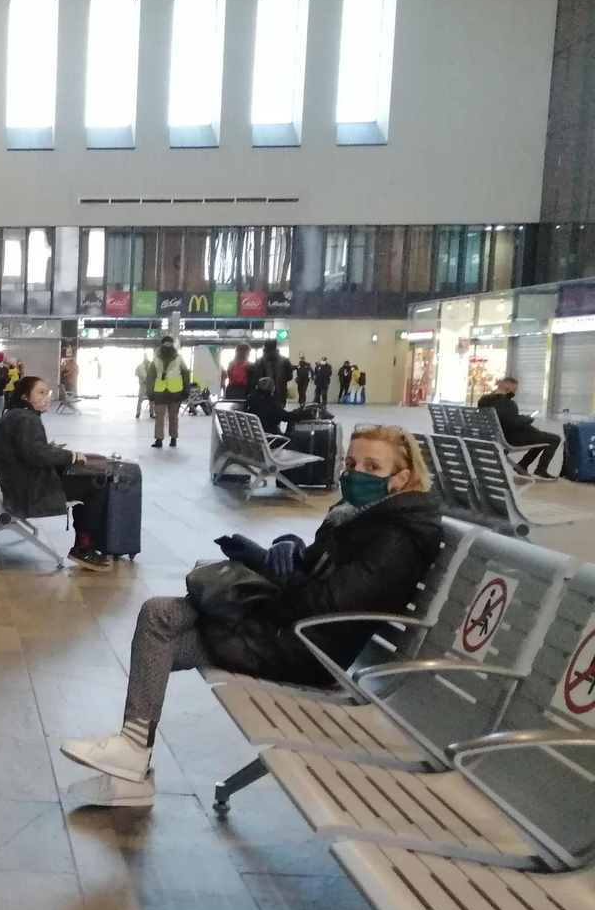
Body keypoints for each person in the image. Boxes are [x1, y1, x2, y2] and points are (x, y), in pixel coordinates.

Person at [60, 424, 443, 806]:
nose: (355, 473)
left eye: (372, 468)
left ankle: (132, 762)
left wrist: (264, 562)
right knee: (159, 620)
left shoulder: (396, 540)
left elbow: (325, 604)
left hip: (310, 652)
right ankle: (132, 761)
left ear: (401, 479)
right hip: (291, 632)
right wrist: (286, 546)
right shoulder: (359, 516)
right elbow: (314, 568)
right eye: (351, 462)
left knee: (160, 623)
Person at [0, 376, 113, 572]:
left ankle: (86, 545)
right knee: (95, 485)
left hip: (16, 481)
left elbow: (30, 449)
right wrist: (70, 456)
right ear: (25, 396)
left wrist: (52, 452)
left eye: (47, 392)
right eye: (41, 392)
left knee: (84, 480)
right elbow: (35, 454)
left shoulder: (15, 415)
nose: (46, 397)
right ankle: (84, 548)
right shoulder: (26, 419)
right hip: (27, 491)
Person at [479, 376, 562, 478]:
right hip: (511, 439)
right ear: (508, 389)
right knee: (554, 439)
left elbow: (507, 419)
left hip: (495, 436)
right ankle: (540, 469)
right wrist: (528, 419)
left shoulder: (484, 401)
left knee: (541, 437)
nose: (514, 394)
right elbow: (513, 423)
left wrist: (521, 418)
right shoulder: (508, 404)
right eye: (514, 391)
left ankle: (523, 465)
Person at [147, 336, 191, 449]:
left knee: (173, 417)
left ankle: (173, 438)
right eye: (165, 343)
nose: (167, 345)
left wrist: (186, 390)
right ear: (162, 344)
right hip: (159, 392)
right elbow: (150, 376)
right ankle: (158, 439)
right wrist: (150, 391)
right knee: (159, 417)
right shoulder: (156, 359)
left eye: (169, 343)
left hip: (175, 392)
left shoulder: (179, 358)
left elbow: (185, 374)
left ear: (172, 344)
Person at [255, 339, 290, 407]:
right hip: (279, 390)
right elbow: (289, 375)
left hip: (265, 391)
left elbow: (255, 378)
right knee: (279, 410)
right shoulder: (284, 361)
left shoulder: (259, 361)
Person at [134, 353, 153, 418]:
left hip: (148, 384)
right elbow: (137, 373)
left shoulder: (150, 365)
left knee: (150, 399)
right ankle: (139, 413)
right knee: (141, 399)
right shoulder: (141, 365)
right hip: (144, 384)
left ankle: (150, 413)